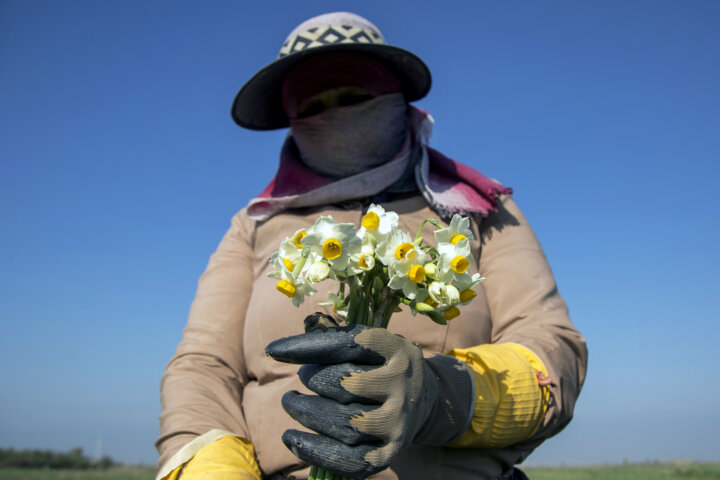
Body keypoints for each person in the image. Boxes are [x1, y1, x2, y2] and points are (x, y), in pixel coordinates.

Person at [155, 12, 587, 480]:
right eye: (315, 105)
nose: (337, 114)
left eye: (355, 96)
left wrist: (437, 396)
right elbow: (203, 366)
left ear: (395, 99)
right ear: (292, 119)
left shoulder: (479, 211)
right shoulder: (256, 225)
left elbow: (552, 351)